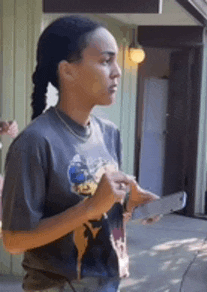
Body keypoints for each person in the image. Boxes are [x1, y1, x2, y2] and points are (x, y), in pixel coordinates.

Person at [1, 16, 159, 292]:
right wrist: (90, 207)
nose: (117, 72)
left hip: (109, 280)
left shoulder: (109, 133)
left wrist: (127, 204)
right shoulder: (34, 143)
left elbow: (99, 209)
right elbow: (13, 240)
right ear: (68, 71)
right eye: (105, 61)